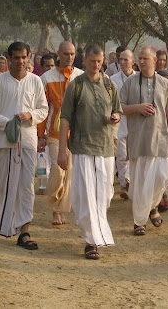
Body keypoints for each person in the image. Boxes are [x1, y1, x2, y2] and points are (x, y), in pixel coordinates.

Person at [58, 44, 122, 260]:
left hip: (105, 148)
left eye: (99, 61)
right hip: (82, 147)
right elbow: (65, 118)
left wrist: (115, 118)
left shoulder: (110, 85)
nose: (95, 65)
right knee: (86, 195)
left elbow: (117, 111)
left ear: (103, 61)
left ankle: (97, 234)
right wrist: (61, 151)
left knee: (104, 195)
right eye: (92, 61)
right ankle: (91, 241)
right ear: (84, 61)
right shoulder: (76, 85)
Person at [0, 42, 48, 250]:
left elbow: (43, 109)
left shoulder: (36, 81)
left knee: (26, 185)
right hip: (5, 141)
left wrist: (30, 115)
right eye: (16, 57)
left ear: (28, 58)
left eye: (24, 57)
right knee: (3, 184)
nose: (20, 61)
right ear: (9, 58)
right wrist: (7, 122)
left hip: (28, 140)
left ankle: (25, 230)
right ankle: (4, 221)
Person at [119, 47, 168, 236]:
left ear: (155, 60)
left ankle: (153, 206)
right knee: (139, 181)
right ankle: (140, 221)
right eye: (140, 58)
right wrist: (137, 107)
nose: (142, 61)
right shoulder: (130, 83)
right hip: (138, 140)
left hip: (161, 139)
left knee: (162, 177)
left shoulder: (164, 83)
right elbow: (119, 107)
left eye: (146, 58)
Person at [37, 42, 83, 226]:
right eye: (66, 53)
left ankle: (61, 210)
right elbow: (42, 109)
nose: (69, 57)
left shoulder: (81, 76)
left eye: (72, 54)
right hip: (54, 133)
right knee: (58, 168)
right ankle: (55, 209)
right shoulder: (46, 78)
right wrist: (41, 135)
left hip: (76, 134)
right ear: (58, 54)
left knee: (69, 173)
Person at [110, 49, 136, 199]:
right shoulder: (112, 79)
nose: (123, 62)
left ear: (133, 62)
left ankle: (131, 181)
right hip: (118, 121)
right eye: (121, 59)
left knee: (133, 154)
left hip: (135, 120)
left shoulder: (139, 79)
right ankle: (123, 184)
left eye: (126, 60)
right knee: (120, 154)